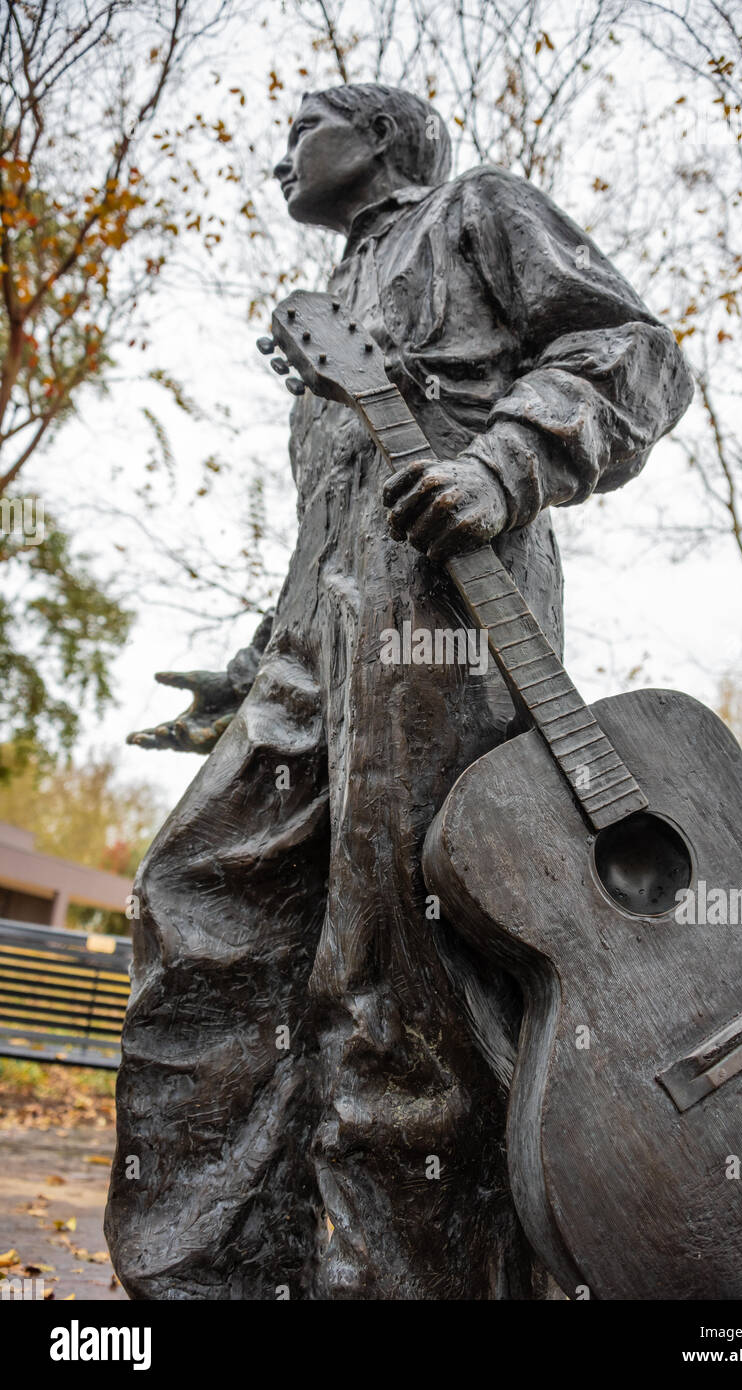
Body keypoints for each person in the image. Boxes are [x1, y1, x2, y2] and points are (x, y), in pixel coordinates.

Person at [105, 83, 693, 1300]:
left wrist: (508, 461)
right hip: (307, 661)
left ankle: (405, 1283)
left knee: (397, 976)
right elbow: (331, 526)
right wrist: (254, 664)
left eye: (299, 127)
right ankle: (210, 1279)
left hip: (447, 636)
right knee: (198, 903)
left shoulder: (476, 211)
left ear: (376, 137)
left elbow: (635, 350)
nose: (278, 157)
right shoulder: (339, 300)